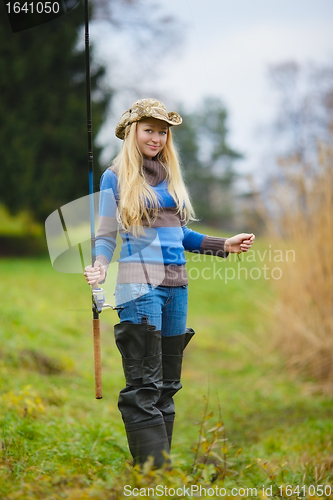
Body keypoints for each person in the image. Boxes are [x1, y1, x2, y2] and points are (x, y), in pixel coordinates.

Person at [84, 98, 255, 469]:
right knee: (144, 383)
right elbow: (106, 233)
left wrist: (222, 244)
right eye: (150, 130)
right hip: (137, 287)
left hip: (177, 287)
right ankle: (154, 474)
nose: (158, 138)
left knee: (167, 384)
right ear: (132, 132)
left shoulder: (169, 175)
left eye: (163, 132)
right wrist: (100, 265)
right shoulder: (115, 176)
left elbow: (181, 234)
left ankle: (158, 467)